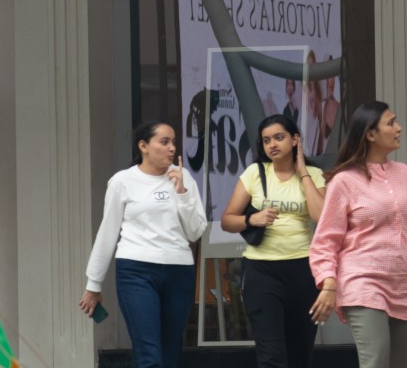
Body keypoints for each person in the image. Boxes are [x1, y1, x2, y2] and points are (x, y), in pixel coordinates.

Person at [309, 101, 407, 368]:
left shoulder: (406, 175)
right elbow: (326, 240)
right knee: (375, 361)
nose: (398, 128)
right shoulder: (344, 181)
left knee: (398, 364)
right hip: (363, 283)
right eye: (391, 123)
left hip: (406, 285)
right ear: (370, 134)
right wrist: (328, 283)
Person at [79, 121, 207, 368]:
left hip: (179, 269)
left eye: (174, 142)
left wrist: (182, 193)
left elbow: (195, 232)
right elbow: (107, 232)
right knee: (148, 352)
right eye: (164, 142)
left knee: (170, 352)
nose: (172, 148)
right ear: (143, 146)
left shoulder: (184, 178)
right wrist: (93, 283)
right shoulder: (123, 181)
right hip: (136, 270)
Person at [220, 114, 326, 368]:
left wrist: (303, 172)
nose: (272, 145)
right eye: (266, 140)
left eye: (279, 137)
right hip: (261, 270)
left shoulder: (314, 174)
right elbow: (227, 220)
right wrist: (252, 219)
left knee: (300, 352)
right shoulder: (255, 173)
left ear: (295, 139)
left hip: (303, 268)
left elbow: (321, 215)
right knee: (271, 354)